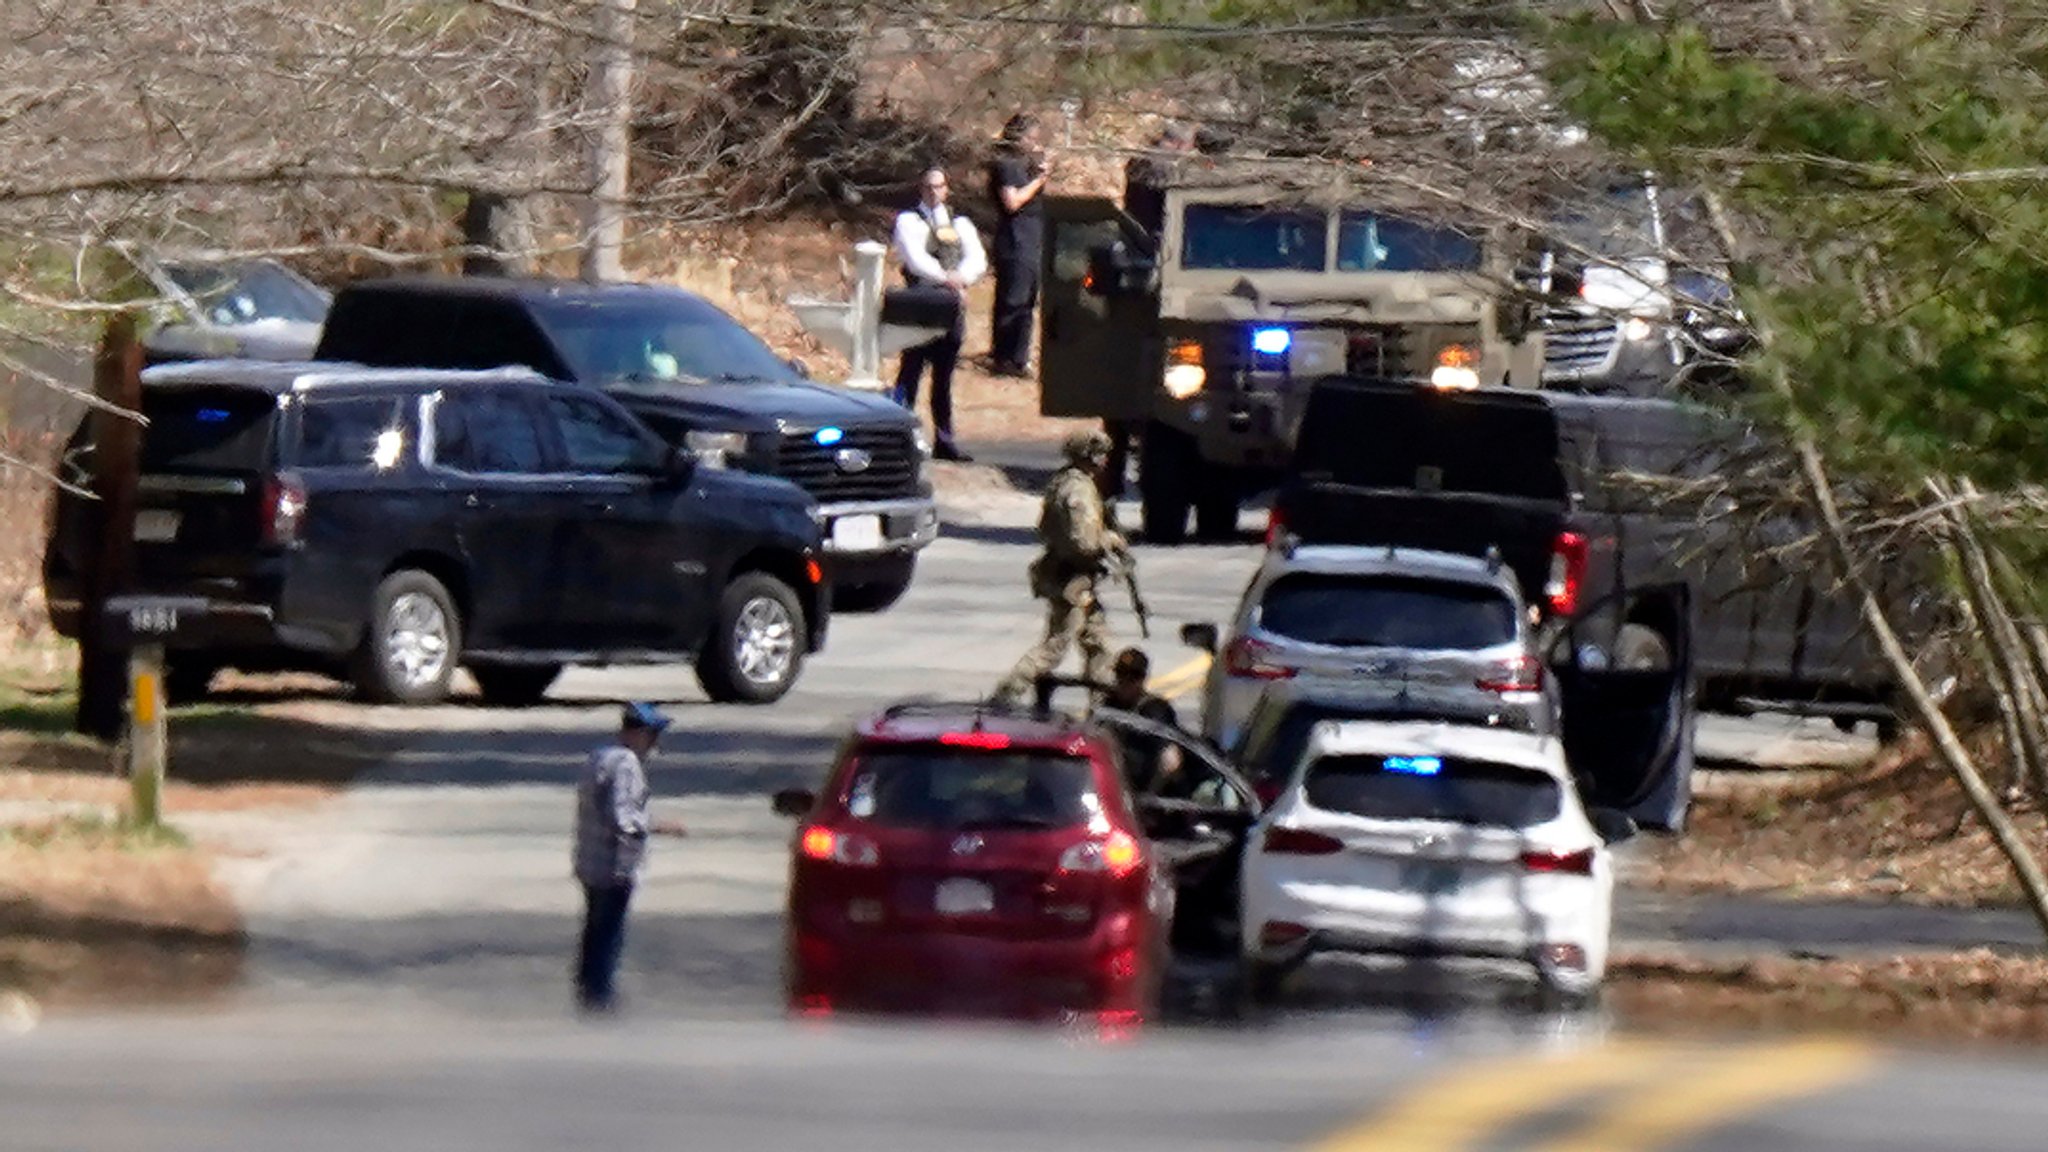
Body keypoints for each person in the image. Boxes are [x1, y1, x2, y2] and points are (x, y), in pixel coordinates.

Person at [1102, 122, 1201, 498]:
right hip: (1158, 259)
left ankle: (1112, 477)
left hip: (1137, 255)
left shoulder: (1139, 163)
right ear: (1180, 143)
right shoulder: (1164, 168)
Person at [994, 429, 1125, 703]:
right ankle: (1005, 695)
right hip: (1070, 579)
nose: (1104, 461)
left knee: (1098, 645)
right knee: (1054, 647)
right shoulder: (1077, 490)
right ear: (1088, 457)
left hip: (1078, 580)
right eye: (1099, 455)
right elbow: (1084, 542)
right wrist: (1110, 540)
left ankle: (1102, 708)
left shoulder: (1066, 482)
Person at [572, 701, 685, 1014]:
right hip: (614, 866)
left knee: (594, 930)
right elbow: (623, 818)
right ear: (636, 733)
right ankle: (599, 998)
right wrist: (661, 827)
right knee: (608, 934)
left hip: (590, 861)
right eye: (651, 735)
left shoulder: (600, 756)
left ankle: (587, 991)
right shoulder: (626, 764)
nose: (654, 743)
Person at [891, 166, 987, 462]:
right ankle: (899, 439)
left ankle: (945, 440)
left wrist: (961, 278)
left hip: (951, 306)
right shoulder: (908, 221)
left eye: (939, 186)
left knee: (944, 378)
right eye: (928, 187)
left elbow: (978, 259)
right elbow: (915, 259)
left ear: (947, 189)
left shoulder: (961, 223)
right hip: (920, 303)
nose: (934, 192)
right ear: (921, 190)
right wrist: (946, 278)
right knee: (910, 373)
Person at [985, 112, 1052, 378]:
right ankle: (1004, 357)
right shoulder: (1006, 165)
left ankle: (1019, 357)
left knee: (1027, 301)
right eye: (1030, 138)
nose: (1033, 143)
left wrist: (1040, 168)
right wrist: (1038, 182)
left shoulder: (1022, 165)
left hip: (1032, 238)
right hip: (1016, 239)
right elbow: (1012, 201)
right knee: (1013, 299)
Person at [1100, 647, 1184, 796]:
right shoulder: (1109, 704)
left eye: (1132, 677)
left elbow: (1171, 761)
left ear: (1142, 679)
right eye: (1120, 675)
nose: (1124, 682)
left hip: (1142, 796)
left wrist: (1150, 796)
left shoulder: (1155, 710)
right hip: (1109, 790)